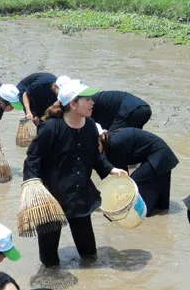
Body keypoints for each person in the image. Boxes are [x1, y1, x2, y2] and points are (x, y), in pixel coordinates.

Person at [24, 79, 127, 267]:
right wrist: (32, 184)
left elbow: (95, 157)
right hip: (51, 197)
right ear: (72, 104)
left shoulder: (89, 125)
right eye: (87, 99)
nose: (92, 102)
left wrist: (111, 169)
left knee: (89, 253)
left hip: (80, 194)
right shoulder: (51, 128)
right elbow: (33, 158)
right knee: (50, 259)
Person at [97, 125, 179, 215]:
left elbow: (123, 178)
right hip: (161, 156)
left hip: (159, 156)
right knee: (160, 207)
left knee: (134, 188)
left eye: (95, 145)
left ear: (102, 137)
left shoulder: (114, 144)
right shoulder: (109, 141)